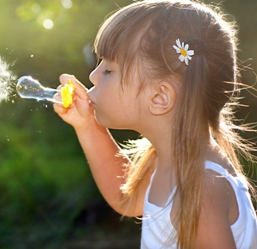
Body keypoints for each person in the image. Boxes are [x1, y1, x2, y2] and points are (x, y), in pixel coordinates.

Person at [53, 0, 257, 248]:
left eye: (109, 70)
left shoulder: (203, 191)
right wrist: (86, 124)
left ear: (160, 98)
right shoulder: (172, 160)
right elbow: (125, 197)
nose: (93, 76)